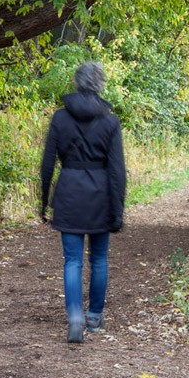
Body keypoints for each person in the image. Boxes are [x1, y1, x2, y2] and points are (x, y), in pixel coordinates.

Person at [39, 61, 127, 344]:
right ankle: (93, 316)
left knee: (72, 261)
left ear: (77, 83)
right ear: (100, 84)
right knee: (99, 259)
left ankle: (75, 317)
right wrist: (118, 209)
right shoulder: (110, 122)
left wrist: (44, 201)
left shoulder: (60, 118)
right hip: (101, 195)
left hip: (69, 194)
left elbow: (47, 163)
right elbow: (117, 171)